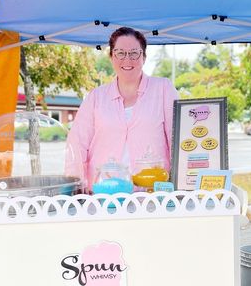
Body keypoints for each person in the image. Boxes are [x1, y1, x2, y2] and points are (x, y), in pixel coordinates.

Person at [66, 27, 179, 190]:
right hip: (104, 192)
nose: (127, 59)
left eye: (134, 53)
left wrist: (182, 183)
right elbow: (76, 144)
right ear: (111, 56)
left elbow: (178, 141)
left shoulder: (163, 89)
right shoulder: (95, 97)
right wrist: (76, 187)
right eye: (120, 53)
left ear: (144, 57)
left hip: (153, 193)